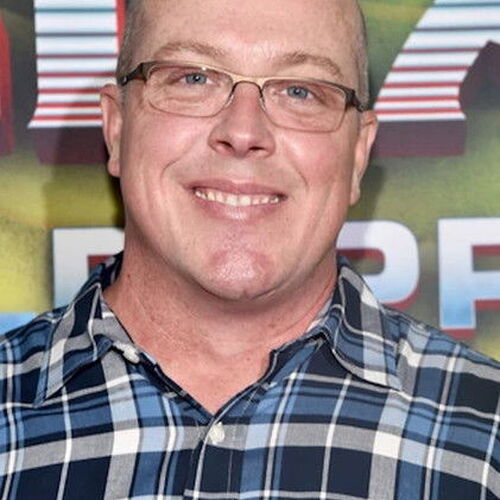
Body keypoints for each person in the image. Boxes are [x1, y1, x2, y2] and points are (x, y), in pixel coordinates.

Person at [1, 0, 498, 498]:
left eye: (300, 91)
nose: (243, 132)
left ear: (358, 155)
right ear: (116, 127)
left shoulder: (487, 434)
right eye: (194, 78)